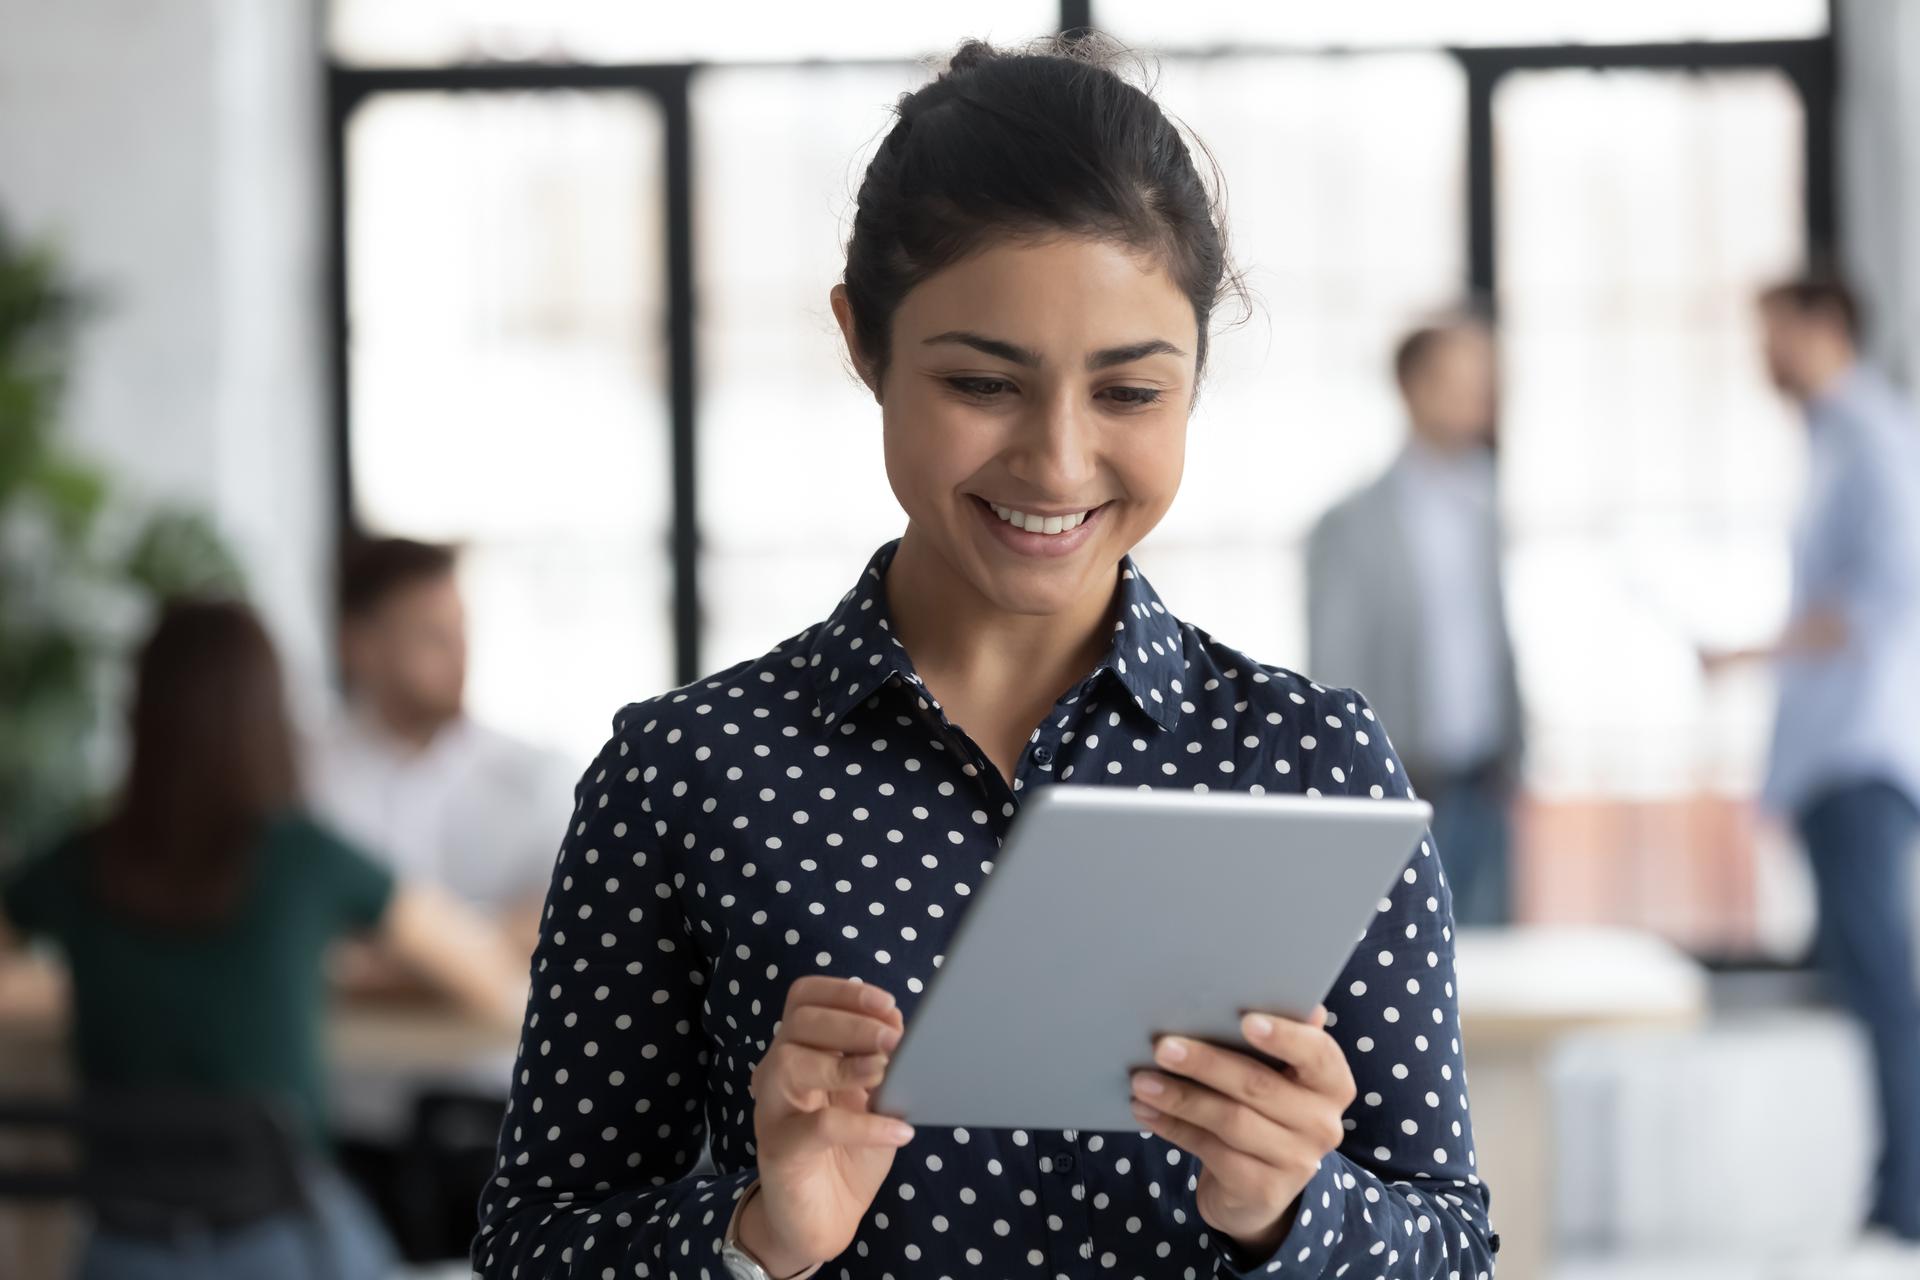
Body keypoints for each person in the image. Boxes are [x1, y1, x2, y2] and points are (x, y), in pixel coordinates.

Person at [474, 39, 1495, 1280]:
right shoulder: (684, 774)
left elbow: (1452, 1244)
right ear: (863, 341)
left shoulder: (1310, 763)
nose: (1058, 465)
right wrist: (758, 1235)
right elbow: (533, 1245)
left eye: (1129, 395)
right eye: (980, 382)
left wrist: (1294, 1209)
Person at [0, 598, 528, 1279]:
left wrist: (82, 984)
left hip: (117, 1251)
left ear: (142, 714)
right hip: (284, 1248)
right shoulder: (303, 859)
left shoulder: (78, 862)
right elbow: (489, 982)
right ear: (267, 716)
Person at [1701, 275, 1920, 1243]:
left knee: (1881, 981)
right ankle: (1894, 1190)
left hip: (1862, 754)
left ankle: (1908, 1196)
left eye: (1774, 333)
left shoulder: (1870, 433)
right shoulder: (1835, 437)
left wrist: (1747, 652)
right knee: (1868, 979)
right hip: (1837, 755)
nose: (1763, 356)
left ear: (1824, 326)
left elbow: (1880, 597)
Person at [307, 536, 575, 1258]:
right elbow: (288, 953)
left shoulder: (535, 777)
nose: (458, 655)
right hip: (342, 1129)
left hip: (495, 1124)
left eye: (461, 633)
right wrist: (463, 956)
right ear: (357, 645)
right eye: (430, 636)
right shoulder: (303, 780)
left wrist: (372, 962)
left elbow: (557, 939)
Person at [1307, 315, 1522, 927]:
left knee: (1493, 971)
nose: (1484, 398)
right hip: (1399, 781)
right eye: (1465, 381)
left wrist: (1517, 751)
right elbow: (1335, 665)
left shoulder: (1484, 503)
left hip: (1486, 777)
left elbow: (1498, 640)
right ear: (1413, 386)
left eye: (1489, 382)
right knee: (1406, 958)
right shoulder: (1351, 524)